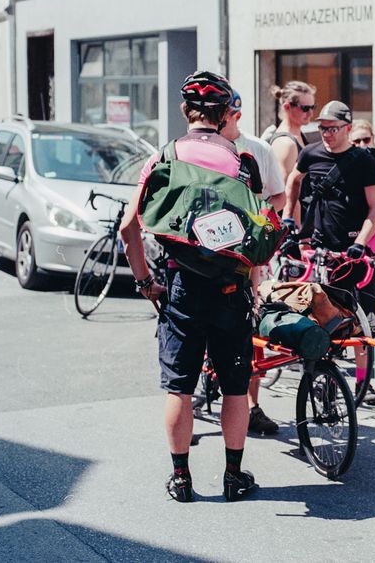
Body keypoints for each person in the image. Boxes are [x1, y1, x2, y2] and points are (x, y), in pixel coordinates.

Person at [119, 71, 259, 503]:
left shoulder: (162, 158)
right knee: (236, 386)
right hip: (230, 290)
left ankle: (181, 479)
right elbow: (256, 239)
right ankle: (233, 477)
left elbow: (128, 229)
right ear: (223, 115)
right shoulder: (241, 163)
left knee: (180, 385)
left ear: (186, 111)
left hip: (180, 286)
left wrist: (146, 282)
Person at [283, 100, 375, 405]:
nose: (326, 133)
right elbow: (293, 181)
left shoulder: (363, 160)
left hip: (352, 251)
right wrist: (290, 216)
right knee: (316, 316)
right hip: (318, 248)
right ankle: (320, 376)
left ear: (348, 128)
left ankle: (364, 386)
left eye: (333, 128)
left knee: (360, 319)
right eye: (323, 128)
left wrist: (361, 243)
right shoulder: (310, 153)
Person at [221, 88, 286, 435]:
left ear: (236, 115)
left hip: (247, 254)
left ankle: (251, 405)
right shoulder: (203, 148)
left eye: (224, 114)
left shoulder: (256, 149)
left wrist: (259, 221)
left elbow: (278, 194)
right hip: (209, 253)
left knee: (248, 325)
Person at [264, 81, 317, 182]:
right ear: (287, 107)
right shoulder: (285, 143)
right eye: (305, 108)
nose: (311, 113)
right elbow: (283, 191)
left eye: (313, 107)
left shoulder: (298, 134)